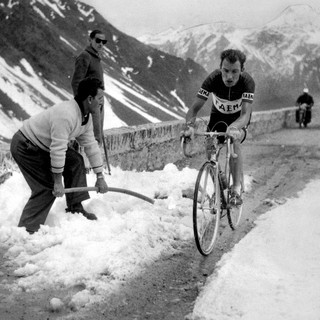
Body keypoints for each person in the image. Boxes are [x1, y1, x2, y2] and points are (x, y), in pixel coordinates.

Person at [10, 78, 108, 234]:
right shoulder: (66, 114)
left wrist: (100, 176)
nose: (102, 103)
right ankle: (27, 230)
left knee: (75, 161)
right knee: (46, 187)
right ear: (89, 99)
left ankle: (75, 208)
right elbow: (58, 150)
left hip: (43, 146)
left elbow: (91, 146)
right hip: (26, 145)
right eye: (100, 99)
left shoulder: (85, 118)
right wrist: (57, 182)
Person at [181, 49, 255, 206]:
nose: (229, 76)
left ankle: (235, 190)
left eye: (234, 72)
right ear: (220, 68)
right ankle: (219, 184)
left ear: (242, 70)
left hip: (239, 119)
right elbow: (194, 109)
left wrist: (235, 127)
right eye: (225, 71)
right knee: (210, 149)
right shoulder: (212, 79)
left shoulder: (247, 82)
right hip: (217, 118)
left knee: (234, 142)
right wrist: (189, 127)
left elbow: (246, 114)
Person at [71, 29, 107, 144]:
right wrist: (82, 106)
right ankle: (93, 161)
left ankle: (96, 160)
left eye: (103, 41)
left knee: (98, 134)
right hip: (91, 102)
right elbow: (76, 82)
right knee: (94, 138)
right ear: (90, 40)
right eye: (98, 40)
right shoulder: (85, 56)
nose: (101, 43)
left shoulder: (96, 57)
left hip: (98, 101)